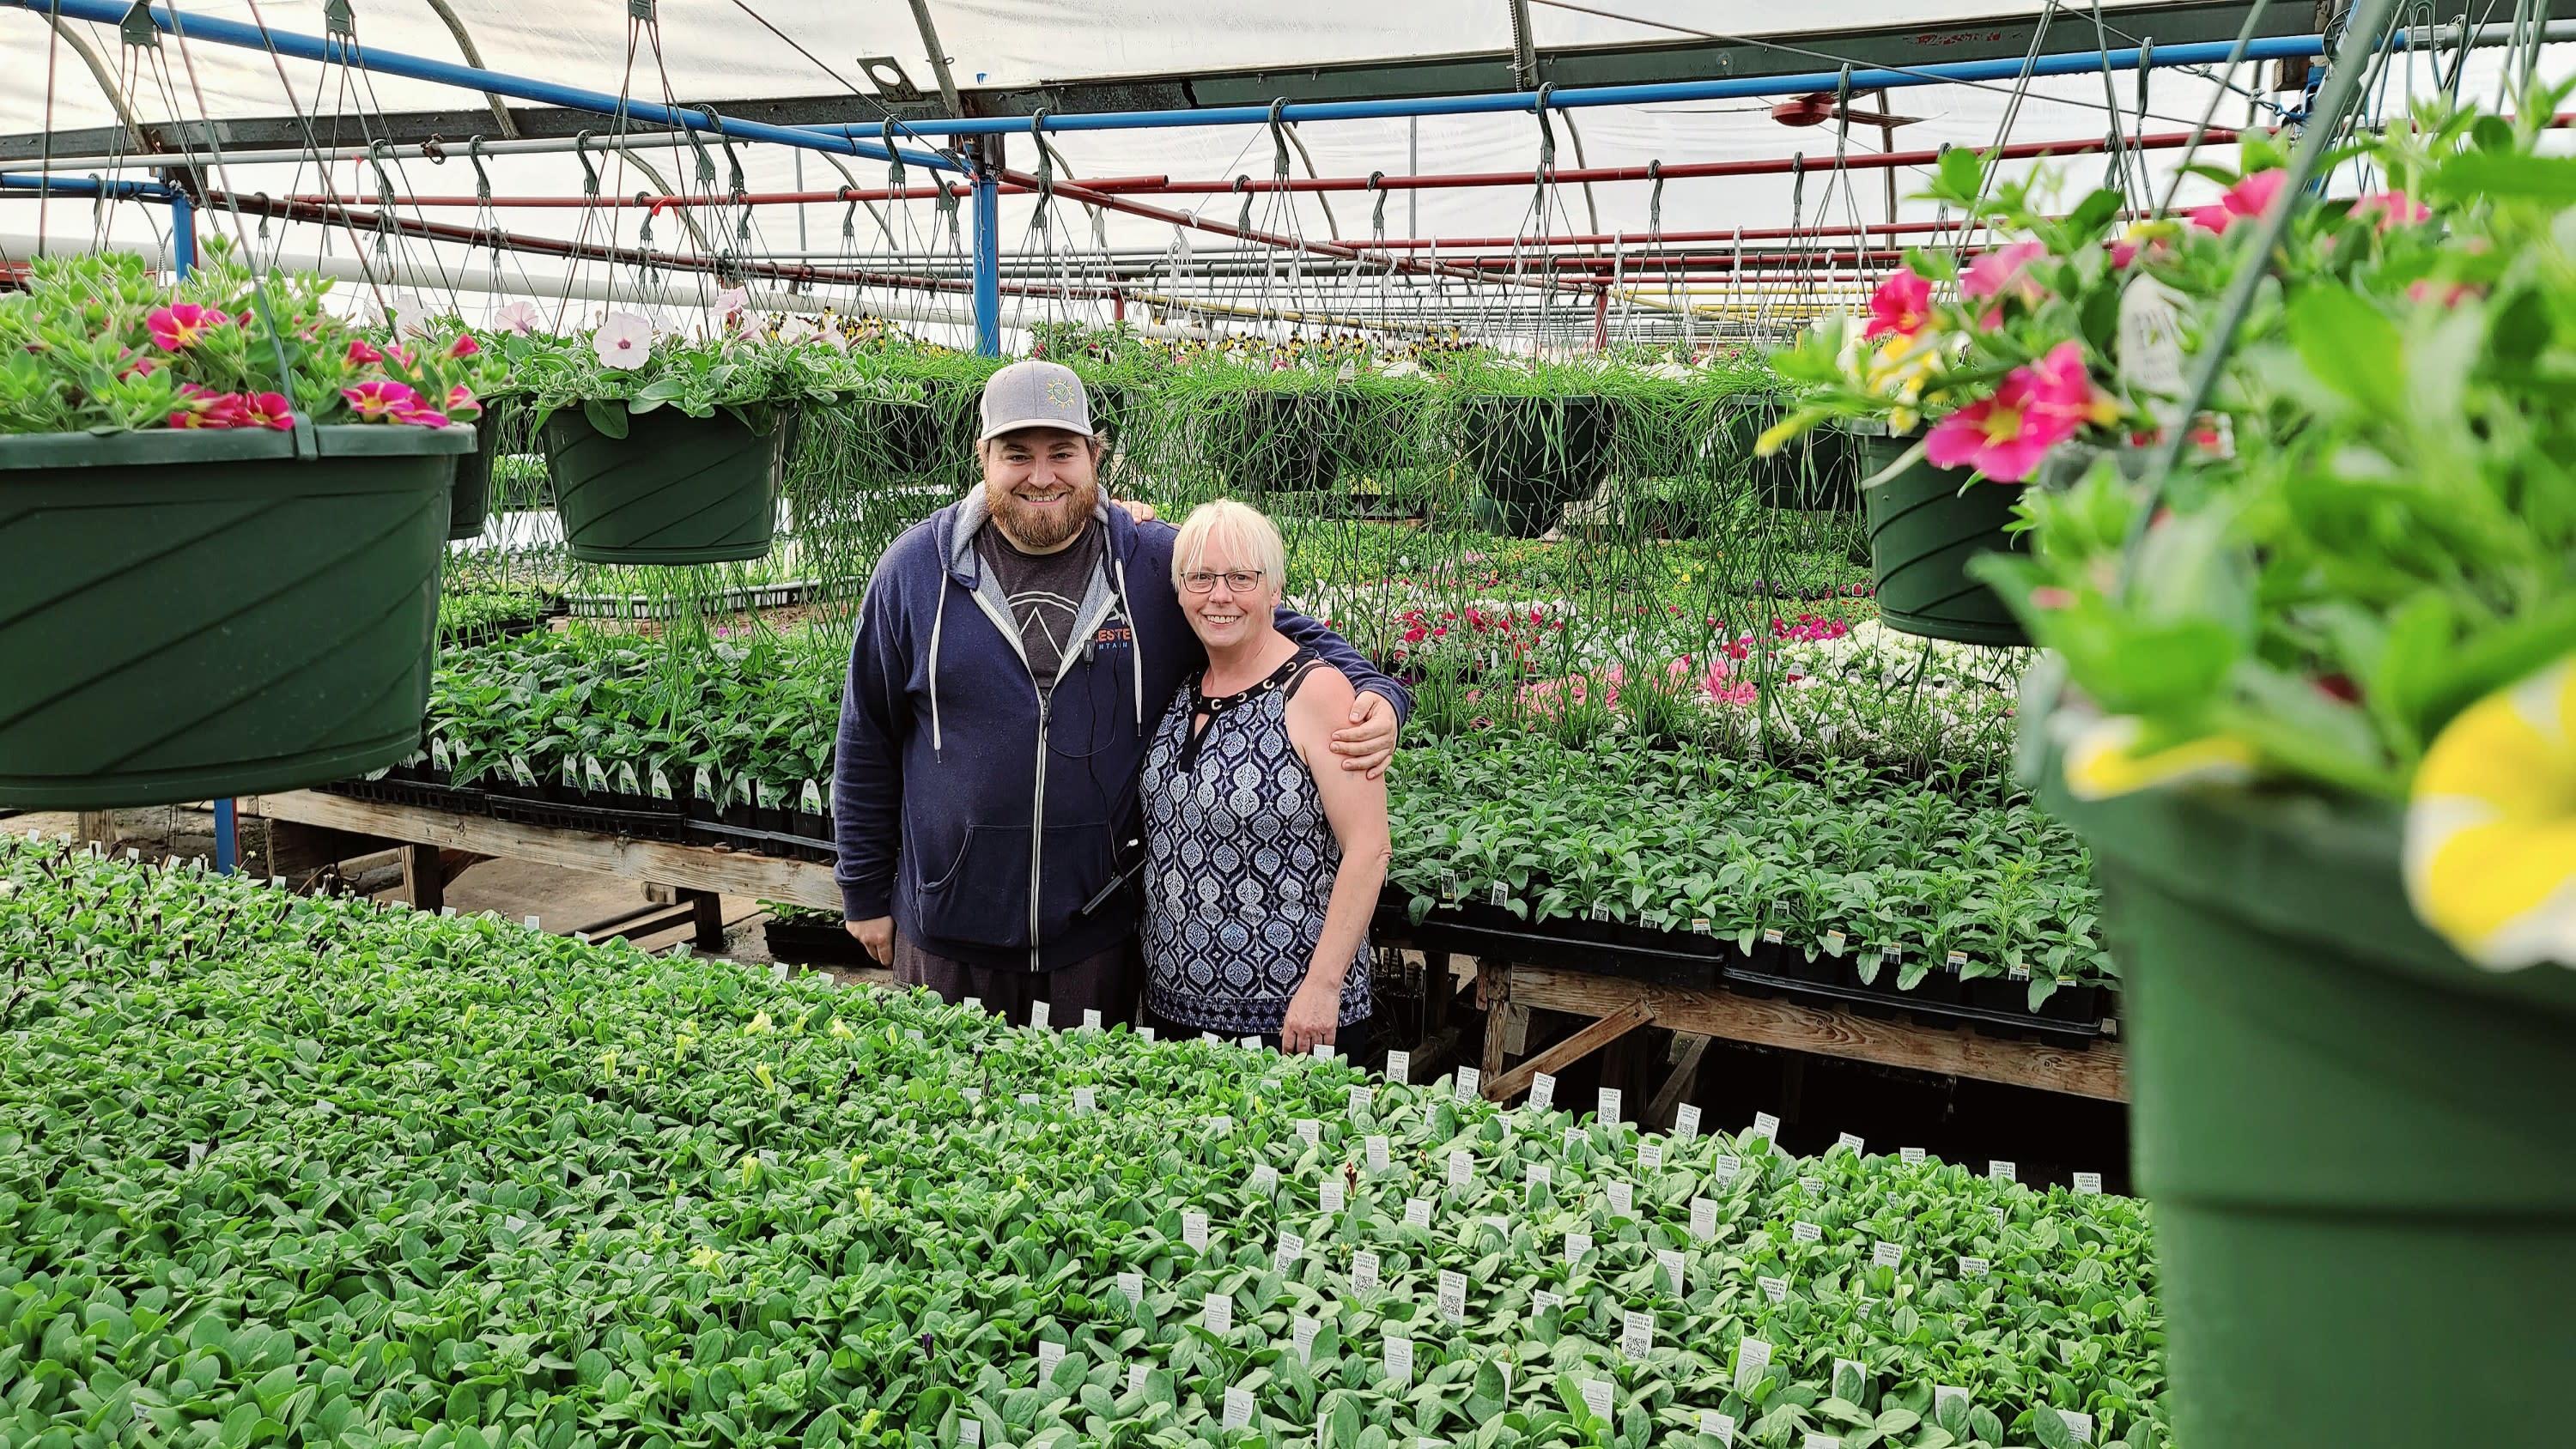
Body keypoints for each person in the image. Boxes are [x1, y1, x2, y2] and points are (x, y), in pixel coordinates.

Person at [832, 359, 1409, 1029]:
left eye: (1063, 453)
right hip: (947, 931)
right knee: (953, 1114)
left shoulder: (1150, 563)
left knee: (1089, 1124)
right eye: (1017, 454)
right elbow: (866, 737)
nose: (1042, 476)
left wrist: (1378, 692)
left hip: (1094, 938)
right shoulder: (913, 571)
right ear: (983, 457)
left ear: (1095, 457)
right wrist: (864, 892)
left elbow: (1271, 623)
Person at [1139, 500, 1388, 1056]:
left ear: (1274, 591)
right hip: (1174, 1012)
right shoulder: (1182, 689)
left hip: (1293, 1020)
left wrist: (1322, 988)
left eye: (1241, 578)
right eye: (1200, 577)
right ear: (1179, 591)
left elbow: (1369, 848)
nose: (1219, 595)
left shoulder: (1316, 692)